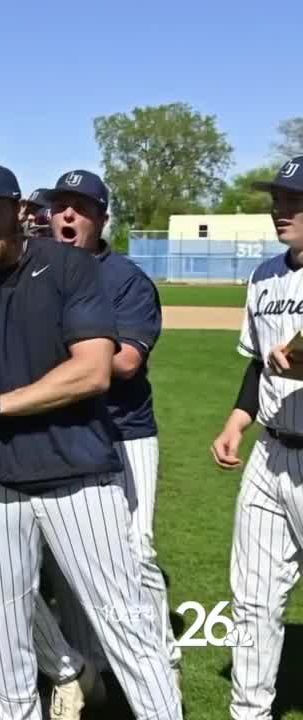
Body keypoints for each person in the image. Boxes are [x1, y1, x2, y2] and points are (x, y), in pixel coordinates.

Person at [0, 159, 182, 719]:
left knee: (126, 624)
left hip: (79, 478)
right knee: (6, 637)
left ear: (19, 211)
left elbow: (92, 371)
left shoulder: (68, 267)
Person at [46, 169, 178, 681]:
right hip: (66, 429)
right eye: (61, 206)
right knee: (72, 559)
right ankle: (95, 670)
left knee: (136, 550)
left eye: (80, 207)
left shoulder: (125, 279)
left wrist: (53, 357)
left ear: (101, 218)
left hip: (125, 432)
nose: (68, 215)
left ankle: (162, 664)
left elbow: (122, 363)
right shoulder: (40, 270)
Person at [209, 155, 303, 720]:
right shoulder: (265, 274)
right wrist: (236, 421)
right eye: (278, 200)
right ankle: (250, 712)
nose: (280, 211)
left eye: (294, 201)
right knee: (254, 597)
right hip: (270, 454)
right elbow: (257, 365)